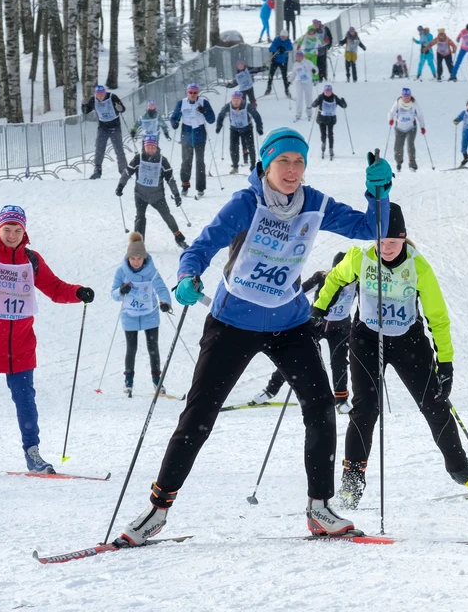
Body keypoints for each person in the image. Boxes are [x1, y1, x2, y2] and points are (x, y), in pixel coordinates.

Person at [113, 128, 393, 546]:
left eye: (299, 162)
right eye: (284, 162)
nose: (292, 170)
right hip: (233, 322)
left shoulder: (314, 204)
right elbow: (203, 245)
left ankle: (320, 508)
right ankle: (157, 510)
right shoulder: (247, 202)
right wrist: (188, 274)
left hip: (289, 322)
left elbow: (373, 228)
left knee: (320, 408)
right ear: (266, 163)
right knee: (199, 416)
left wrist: (380, 193)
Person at [313, 204, 468, 509]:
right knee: (365, 409)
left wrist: (446, 362)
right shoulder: (360, 258)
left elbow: (437, 316)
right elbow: (334, 279)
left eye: (393, 242)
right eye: (381, 242)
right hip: (367, 339)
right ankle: (352, 481)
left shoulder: (418, 266)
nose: (386, 248)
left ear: (404, 239)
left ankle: (459, 468)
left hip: (408, 341)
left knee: (434, 404)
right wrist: (319, 309)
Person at [0, 206, 94, 475]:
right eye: (7, 229)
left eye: (17, 230)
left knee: (26, 401)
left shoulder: (31, 260)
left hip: (21, 346)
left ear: (24, 231)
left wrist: (77, 292)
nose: (12, 235)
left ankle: (32, 453)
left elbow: (54, 287)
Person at [254, 251, 355, 411]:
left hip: (341, 327)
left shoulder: (357, 281)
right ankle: (271, 390)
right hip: (316, 322)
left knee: (339, 361)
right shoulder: (321, 277)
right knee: (296, 355)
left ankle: (341, 399)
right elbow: (298, 292)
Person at [111, 232, 174, 398]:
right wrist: (121, 291)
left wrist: (165, 302)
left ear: (145, 258)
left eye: (139, 258)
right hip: (129, 315)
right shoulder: (121, 272)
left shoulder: (151, 271)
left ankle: (157, 381)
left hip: (150, 314)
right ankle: (129, 381)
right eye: (133, 258)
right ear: (128, 258)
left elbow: (161, 289)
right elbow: (114, 294)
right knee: (131, 349)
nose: (136, 262)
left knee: (153, 348)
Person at [116, 135, 189, 249]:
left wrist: (176, 195)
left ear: (156, 147)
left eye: (152, 147)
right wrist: (120, 186)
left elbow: (170, 179)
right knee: (140, 218)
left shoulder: (162, 160)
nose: (150, 150)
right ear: (144, 147)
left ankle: (179, 238)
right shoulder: (138, 158)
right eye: (148, 147)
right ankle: (138, 243)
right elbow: (127, 173)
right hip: (140, 194)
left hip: (157, 196)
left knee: (167, 216)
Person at [170, 83, 216, 197]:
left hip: (199, 134)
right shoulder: (181, 103)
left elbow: (212, 119)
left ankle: (200, 188)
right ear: (187, 92)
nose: (193, 95)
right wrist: (174, 123)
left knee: (200, 162)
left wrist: (204, 111)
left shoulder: (204, 102)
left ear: (198, 93)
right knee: (186, 161)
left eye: (195, 93)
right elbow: (174, 117)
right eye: (190, 92)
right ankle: (185, 185)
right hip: (186, 134)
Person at [83, 85, 128, 181]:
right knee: (99, 148)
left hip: (115, 126)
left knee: (119, 149)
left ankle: (124, 171)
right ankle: (97, 171)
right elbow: (85, 111)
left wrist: (120, 108)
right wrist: (84, 104)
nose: (100, 97)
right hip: (102, 127)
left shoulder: (112, 97)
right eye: (98, 95)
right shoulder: (93, 100)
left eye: (101, 94)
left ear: (105, 93)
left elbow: (123, 109)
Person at [215, 91, 264, 174]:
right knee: (233, 147)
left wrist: (259, 128)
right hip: (234, 129)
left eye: (237, 100)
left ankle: (253, 166)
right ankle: (235, 166)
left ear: (241, 100)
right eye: (234, 100)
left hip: (247, 128)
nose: (235, 102)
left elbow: (256, 116)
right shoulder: (228, 106)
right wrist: (218, 126)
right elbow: (221, 115)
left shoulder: (247, 106)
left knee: (250, 147)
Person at [387, 87, 425, 172]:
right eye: (405, 97)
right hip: (399, 128)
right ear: (402, 96)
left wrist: (422, 126)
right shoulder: (398, 103)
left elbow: (420, 115)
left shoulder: (414, 103)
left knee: (410, 145)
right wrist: (390, 119)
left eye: (408, 96)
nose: (407, 98)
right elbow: (391, 112)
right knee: (398, 146)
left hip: (411, 127)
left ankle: (412, 163)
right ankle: (398, 162)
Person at [309, 85, 347, 160]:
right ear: (324, 91)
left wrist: (343, 102)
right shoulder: (321, 97)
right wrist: (316, 103)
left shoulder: (334, 97)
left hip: (331, 119)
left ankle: (331, 149)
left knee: (330, 134)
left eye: (329, 91)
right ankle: (323, 144)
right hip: (322, 119)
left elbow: (343, 106)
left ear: (331, 91)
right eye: (326, 91)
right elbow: (313, 105)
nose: (327, 93)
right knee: (323, 134)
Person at [288, 50, 318, 121]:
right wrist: (289, 81)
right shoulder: (295, 64)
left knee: (308, 97)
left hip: (307, 82)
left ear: (302, 57)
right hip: (299, 82)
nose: (298, 58)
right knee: (299, 98)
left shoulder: (307, 63)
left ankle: (309, 113)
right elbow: (293, 74)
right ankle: (298, 114)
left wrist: (314, 70)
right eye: (297, 57)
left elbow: (315, 68)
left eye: (300, 57)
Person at [266, 31, 294, 97]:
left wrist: (284, 48)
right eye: (282, 37)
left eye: (285, 37)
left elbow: (291, 48)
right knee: (271, 74)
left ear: (287, 37)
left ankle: (286, 90)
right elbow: (271, 48)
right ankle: (269, 87)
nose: (283, 38)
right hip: (275, 60)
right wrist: (277, 48)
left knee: (284, 76)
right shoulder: (276, 40)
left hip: (283, 61)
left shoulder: (288, 41)